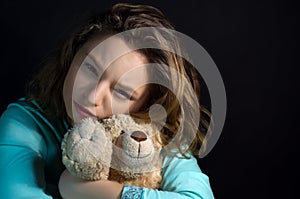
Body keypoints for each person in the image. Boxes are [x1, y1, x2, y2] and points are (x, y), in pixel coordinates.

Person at [0, 3, 215, 199]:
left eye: (122, 92)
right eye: (90, 68)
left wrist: (105, 194)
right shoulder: (24, 122)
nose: (92, 96)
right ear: (72, 55)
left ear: (145, 107)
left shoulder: (150, 141)